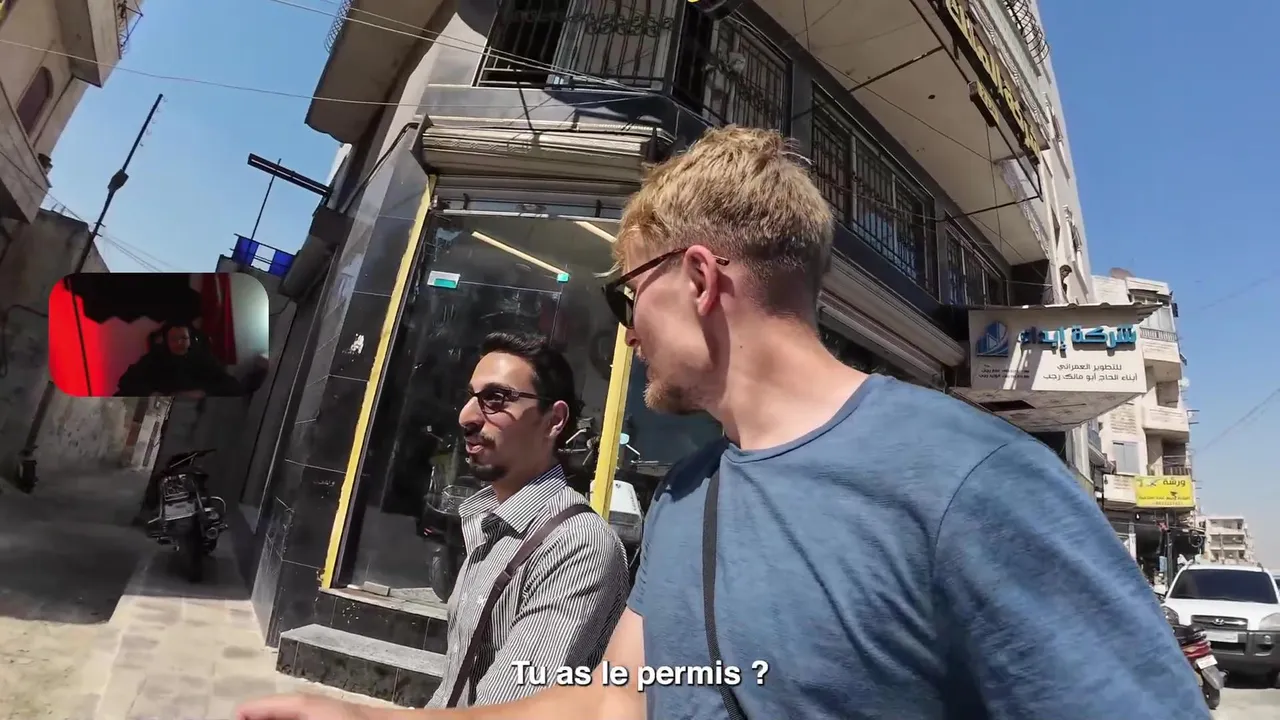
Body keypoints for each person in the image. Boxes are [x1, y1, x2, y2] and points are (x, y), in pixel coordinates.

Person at [237, 129, 1206, 720]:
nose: (625, 334)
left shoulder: (975, 481)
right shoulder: (687, 497)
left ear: (698, 279)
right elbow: (613, 703)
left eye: (628, 298)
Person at [427, 332, 629, 708]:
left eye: (495, 399)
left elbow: (508, 709)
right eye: (471, 397)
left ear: (554, 420)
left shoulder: (577, 544)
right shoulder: (489, 524)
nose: (466, 416)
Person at [115, 322, 244, 398]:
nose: (179, 343)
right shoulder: (154, 358)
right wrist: (153, 394)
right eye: (173, 339)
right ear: (166, 342)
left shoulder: (203, 358)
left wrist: (203, 392)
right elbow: (126, 381)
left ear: (190, 340)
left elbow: (232, 385)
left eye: (183, 338)